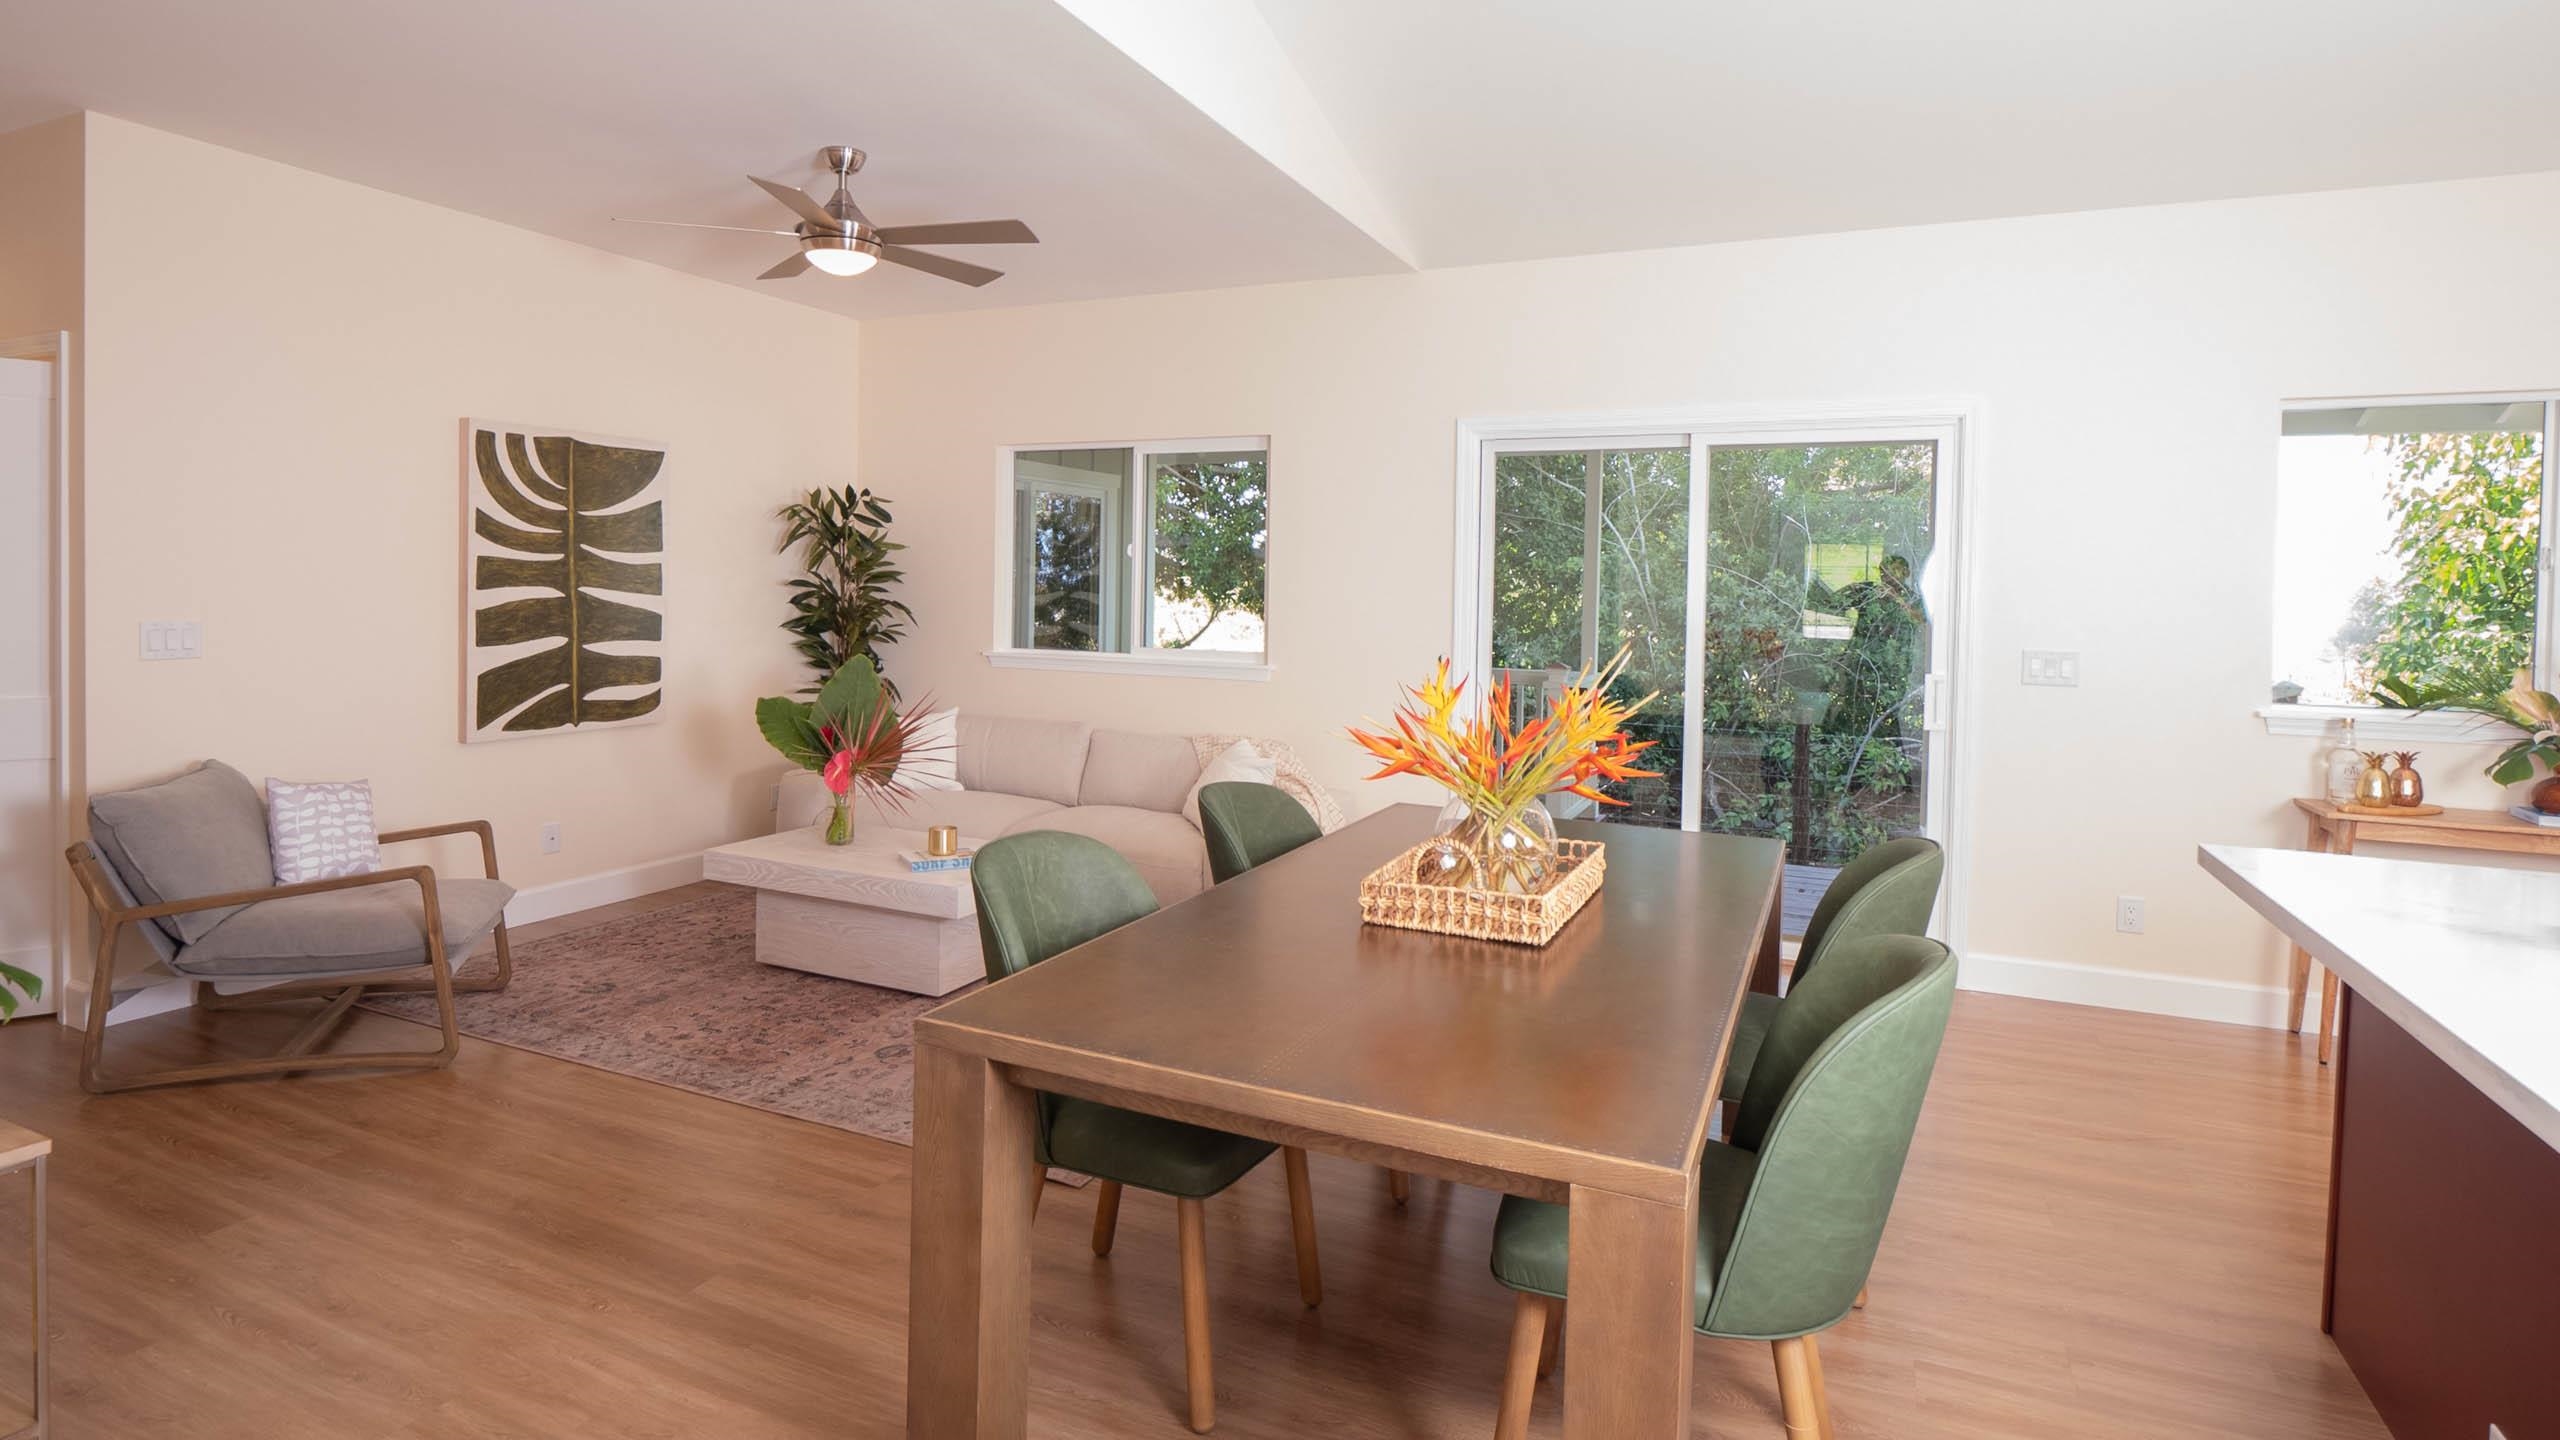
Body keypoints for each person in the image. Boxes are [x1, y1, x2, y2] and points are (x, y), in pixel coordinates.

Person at [1809, 554, 1924, 742]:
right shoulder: (1869, 591)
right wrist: (1854, 590)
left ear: (1906, 572)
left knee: (1888, 716)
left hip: (1892, 672)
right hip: (1860, 668)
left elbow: (1919, 620)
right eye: (1883, 571)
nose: (1887, 576)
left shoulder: (1912, 598)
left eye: (1893, 570)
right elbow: (1832, 604)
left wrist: (1896, 599)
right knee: (1851, 710)